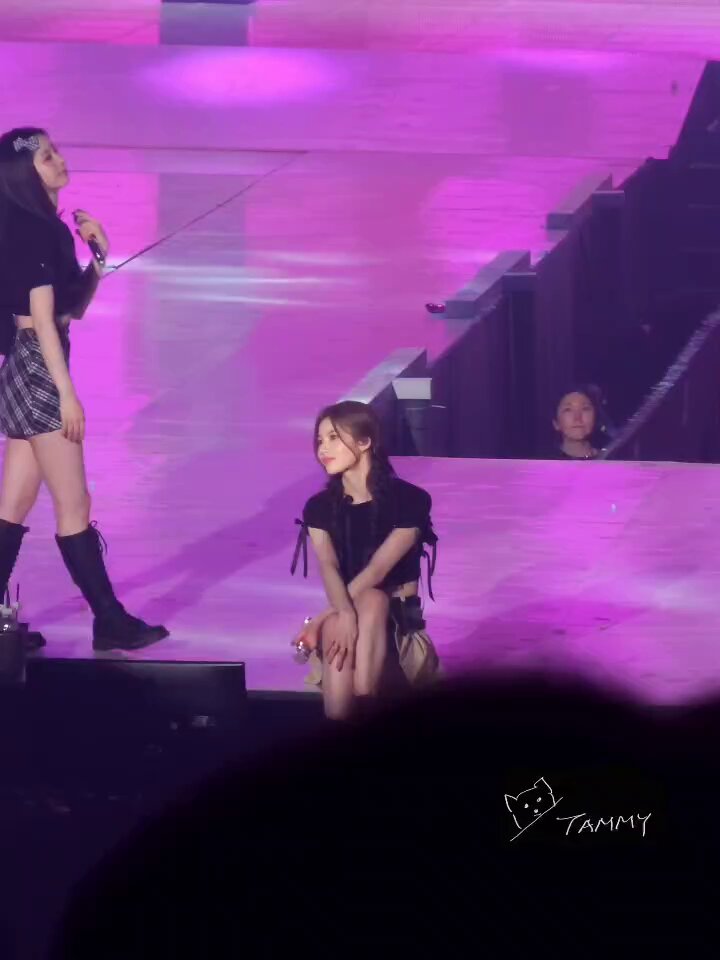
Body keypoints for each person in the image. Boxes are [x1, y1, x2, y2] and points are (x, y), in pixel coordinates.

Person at [0, 127, 168, 651]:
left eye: (55, 151)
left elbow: (72, 310)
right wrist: (66, 393)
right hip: (39, 370)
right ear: (26, 174)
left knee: (11, 507)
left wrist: (98, 259)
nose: (59, 161)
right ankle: (110, 620)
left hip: (25, 369)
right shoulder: (32, 231)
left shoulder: (43, 227)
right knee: (74, 503)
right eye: (46, 158)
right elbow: (43, 321)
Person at [290, 400, 439, 720]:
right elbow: (328, 565)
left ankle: (357, 705)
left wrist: (321, 618)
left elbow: (378, 569)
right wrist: (343, 612)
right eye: (319, 440)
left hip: (397, 623)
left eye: (333, 438)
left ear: (365, 441)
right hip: (348, 617)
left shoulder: (410, 500)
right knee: (353, 611)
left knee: (371, 599)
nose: (322, 448)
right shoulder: (319, 507)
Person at [551, 386, 604, 460]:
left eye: (585, 408)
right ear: (556, 423)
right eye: (568, 409)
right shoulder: (544, 462)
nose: (578, 418)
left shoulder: (609, 461)